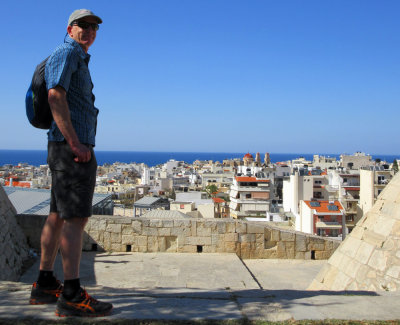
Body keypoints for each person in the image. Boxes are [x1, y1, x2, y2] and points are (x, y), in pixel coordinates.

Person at [29, 9, 112, 317]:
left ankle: (45, 282)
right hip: (71, 148)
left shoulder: (76, 55)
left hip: (63, 147)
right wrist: (76, 142)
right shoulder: (67, 52)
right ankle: (72, 293)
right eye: (84, 25)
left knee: (57, 215)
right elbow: (55, 95)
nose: (90, 30)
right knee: (75, 219)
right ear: (70, 28)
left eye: (94, 27)